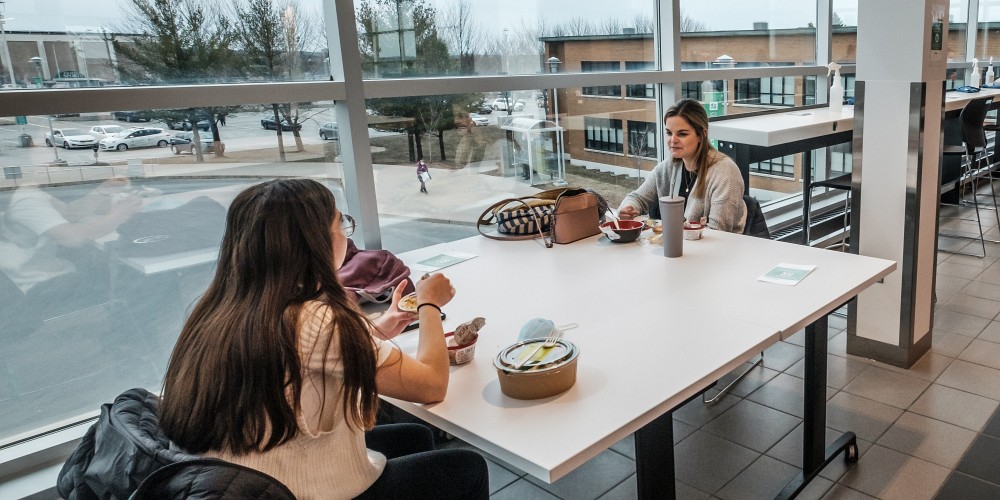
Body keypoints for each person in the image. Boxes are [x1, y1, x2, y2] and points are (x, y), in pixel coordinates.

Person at [157, 178, 488, 500]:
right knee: (466, 467)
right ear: (315, 242)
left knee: (413, 436)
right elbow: (430, 385)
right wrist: (429, 303)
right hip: (290, 489)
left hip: (227, 481)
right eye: (340, 223)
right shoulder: (315, 319)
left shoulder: (220, 307)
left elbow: (300, 359)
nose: (345, 231)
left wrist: (380, 328)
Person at [0, 177, 142, 338]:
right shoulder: (25, 202)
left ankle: (124, 331)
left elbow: (70, 213)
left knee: (112, 265)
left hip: (46, 275)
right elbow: (73, 238)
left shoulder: (28, 193)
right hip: (41, 285)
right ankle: (130, 340)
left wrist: (102, 192)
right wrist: (119, 215)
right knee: (137, 276)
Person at [617, 98, 746, 233]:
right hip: (679, 248)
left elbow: (718, 232)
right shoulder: (669, 167)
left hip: (716, 251)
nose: (673, 140)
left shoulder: (725, 172)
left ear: (702, 135)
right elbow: (637, 198)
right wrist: (628, 208)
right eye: (669, 133)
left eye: (682, 134)